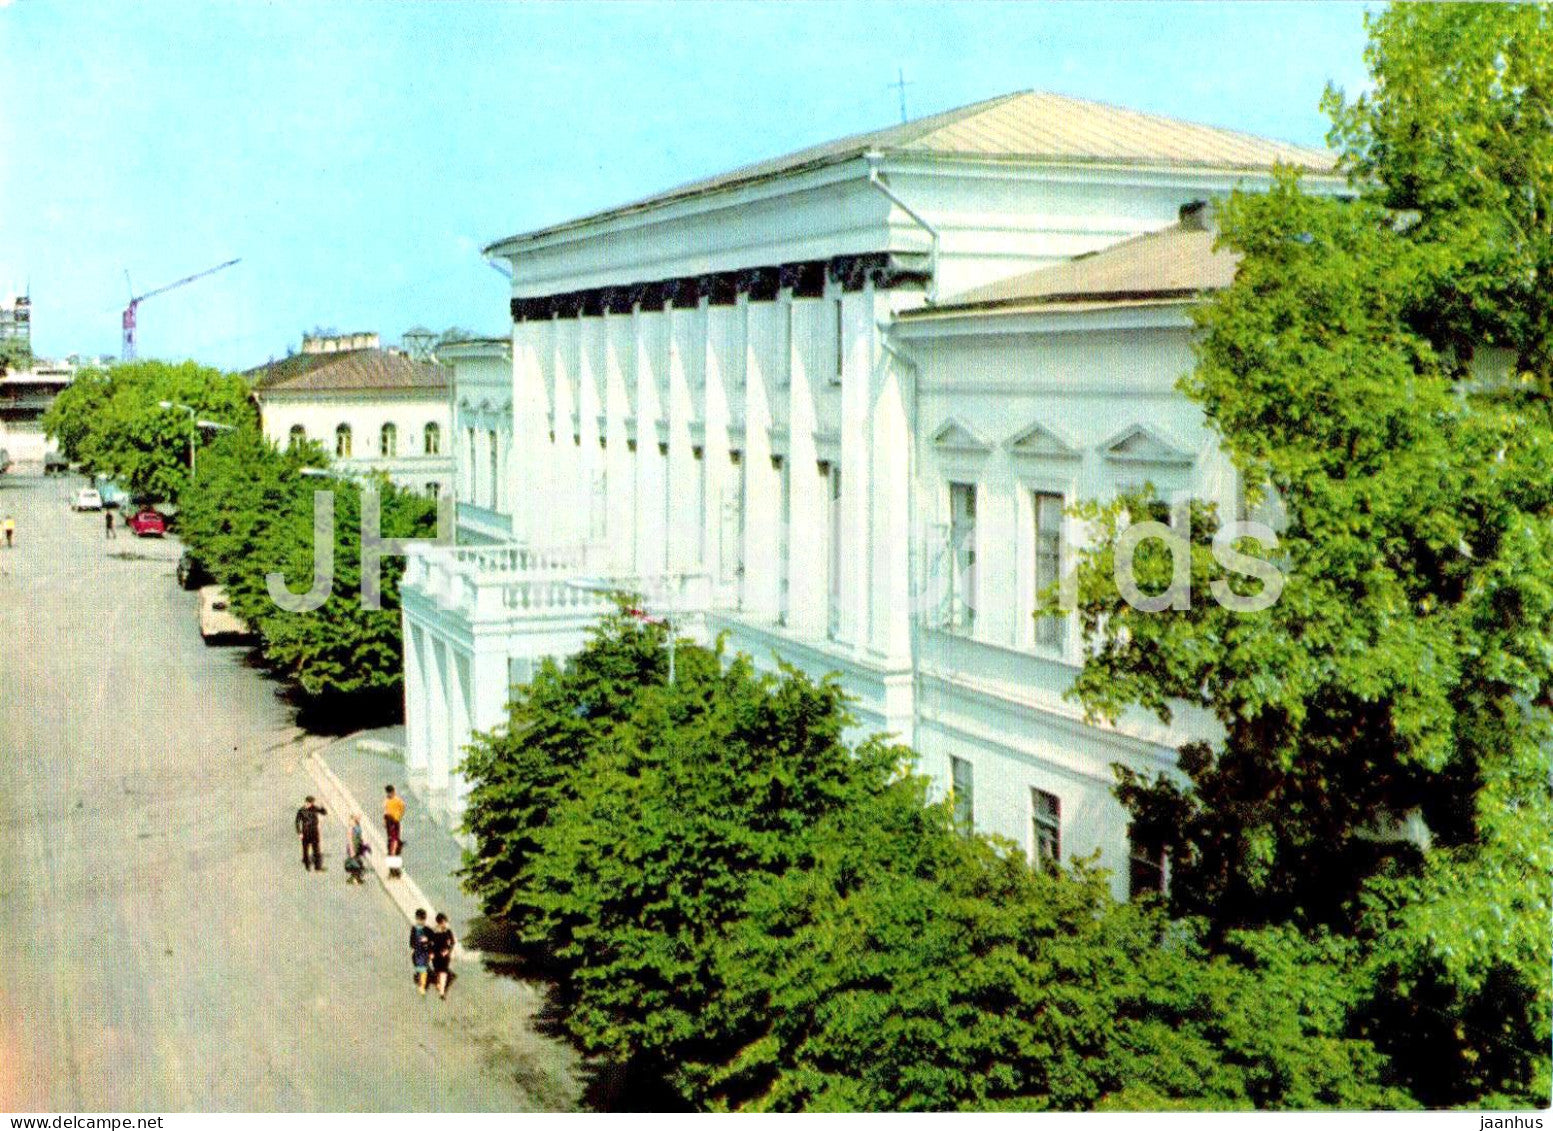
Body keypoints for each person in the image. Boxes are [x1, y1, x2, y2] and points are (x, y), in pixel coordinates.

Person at [294, 795, 327, 872]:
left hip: (314, 832)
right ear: (305, 802)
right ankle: (307, 865)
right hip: (305, 832)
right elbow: (297, 822)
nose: (308, 804)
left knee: (316, 850)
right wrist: (299, 832)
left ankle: (318, 867)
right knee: (306, 849)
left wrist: (322, 806)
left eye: (310, 803)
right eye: (307, 803)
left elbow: (324, 813)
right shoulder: (301, 810)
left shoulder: (315, 808)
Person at [430, 912, 456, 1001]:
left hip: (444, 955)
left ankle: (442, 992)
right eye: (445, 921)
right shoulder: (434, 932)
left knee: (443, 972)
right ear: (441, 922)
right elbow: (430, 944)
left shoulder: (448, 931)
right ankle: (438, 983)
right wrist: (431, 953)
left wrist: (448, 950)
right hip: (436, 954)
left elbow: (452, 942)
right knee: (438, 971)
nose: (446, 923)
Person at [409, 909, 434, 996]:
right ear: (416, 919)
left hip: (424, 952)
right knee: (418, 966)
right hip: (417, 951)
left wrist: (428, 940)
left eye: (421, 920)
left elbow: (433, 939)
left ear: (424, 919)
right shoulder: (414, 928)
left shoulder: (428, 930)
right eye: (418, 919)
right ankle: (420, 974)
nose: (420, 921)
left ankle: (422, 986)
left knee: (422, 969)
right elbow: (412, 939)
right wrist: (412, 947)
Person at [343, 813, 369, 884]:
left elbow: (359, 837)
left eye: (351, 821)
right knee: (354, 863)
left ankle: (355, 878)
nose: (349, 822)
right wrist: (352, 850)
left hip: (357, 846)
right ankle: (355, 878)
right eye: (350, 821)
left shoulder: (357, 826)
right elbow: (350, 840)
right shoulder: (351, 828)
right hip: (353, 847)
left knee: (356, 862)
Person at [383, 785, 406, 857]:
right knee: (393, 837)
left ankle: (392, 852)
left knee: (393, 837)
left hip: (392, 821)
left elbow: (402, 808)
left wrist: (398, 817)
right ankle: (393, 852)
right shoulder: (394, 800)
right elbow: (386, 810)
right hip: (391, 821)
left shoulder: (393, 800)